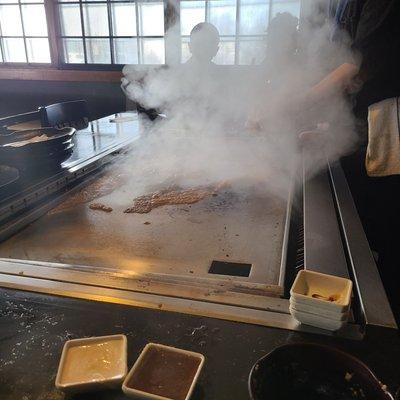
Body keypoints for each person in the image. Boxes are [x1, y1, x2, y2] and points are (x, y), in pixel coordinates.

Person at [302, 0, 400, 323]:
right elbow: (347, 81)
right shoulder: (338, 4)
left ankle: (384, 335)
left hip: (389, 135)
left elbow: (359, 64)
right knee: (364, 238)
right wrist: (329, 130)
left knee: (388, 242)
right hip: (363, 132)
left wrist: (293, 104)